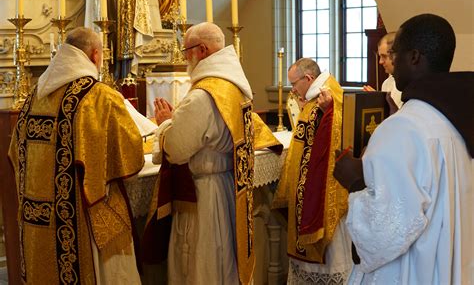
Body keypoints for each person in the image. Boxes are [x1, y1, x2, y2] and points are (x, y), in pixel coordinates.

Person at [334, 14, 473, 284]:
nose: (391, 62)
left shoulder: (403, 128)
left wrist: (354, 182)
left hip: (412, 272)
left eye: (395, 53)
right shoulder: (459, 118)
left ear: (415, 57)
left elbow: (386, 231)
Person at [8, 27, 145, 284]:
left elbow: (15, 154)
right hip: (81, 220)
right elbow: (130, 153)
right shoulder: (100, 96)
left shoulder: (33, 98)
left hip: (36, 218)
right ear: (95, 56)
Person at [146, 22, 279, 285]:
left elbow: (175, 149)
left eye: (186, 52)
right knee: (225, 261)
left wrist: (164, 123)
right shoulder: (233, 88)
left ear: (202, 50)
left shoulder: (202, 95)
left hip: (203, 196)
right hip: (229, 188)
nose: (185, 59)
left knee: (202, 264)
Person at [273, 58, 352, 284]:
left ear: (308, 79)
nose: (293, 89)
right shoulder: (311, 97)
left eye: (294, 83)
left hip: (323, 188)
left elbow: (339, 133)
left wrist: (329, 112)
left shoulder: (329, 95)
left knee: (331, 254)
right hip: (307, 185)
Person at [363, 32, 403, 111]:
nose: (380, 62)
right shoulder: (386, 83)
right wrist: (377, 99)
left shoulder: (413, 85)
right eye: (380, 56)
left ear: (396, 55)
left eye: (384, 56)